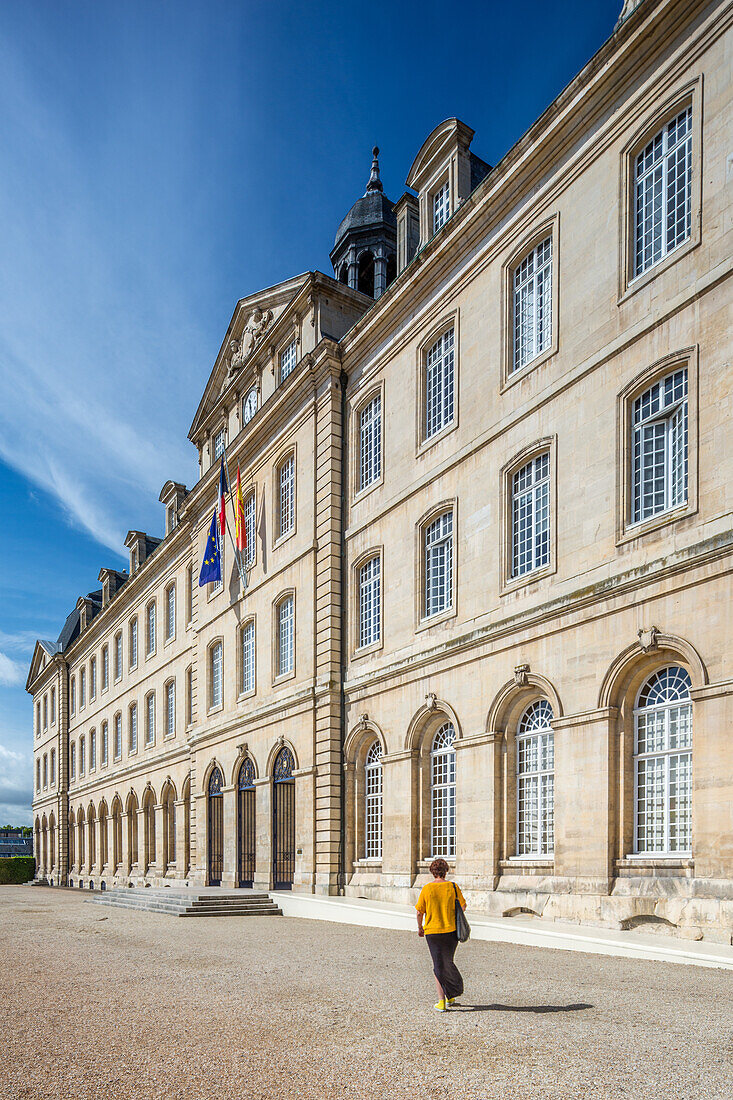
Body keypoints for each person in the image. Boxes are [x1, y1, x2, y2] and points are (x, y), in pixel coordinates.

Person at [415, 857, 467, 1012]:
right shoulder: (452, 887)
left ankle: (441, 1002)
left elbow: (419, 912)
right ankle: (450, 995)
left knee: (438, 965)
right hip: (451, 931)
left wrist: (420, 928)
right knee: (447, 962)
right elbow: (463, 907)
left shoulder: (427, 889)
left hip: (433, 932)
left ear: (432, 872)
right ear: (445, 871)